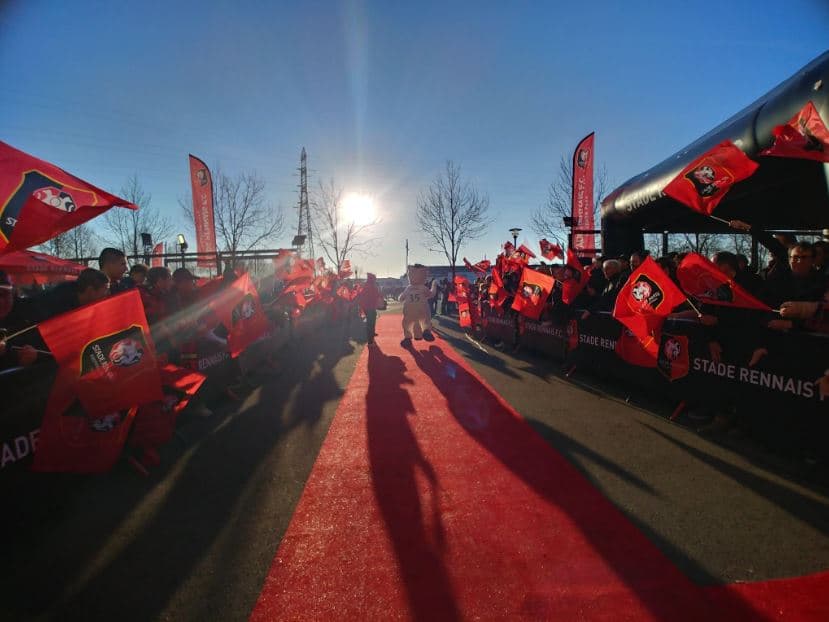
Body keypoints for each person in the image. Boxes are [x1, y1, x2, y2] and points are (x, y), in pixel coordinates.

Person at [357, 273, 382, 345]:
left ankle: (371, 336)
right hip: (370, 307)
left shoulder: (364, 285)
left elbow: (360, 295)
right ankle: (370, 340)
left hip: (365, 307)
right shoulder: (372, 286)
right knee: (371, 323)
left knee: (369, 322)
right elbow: (377, 295)